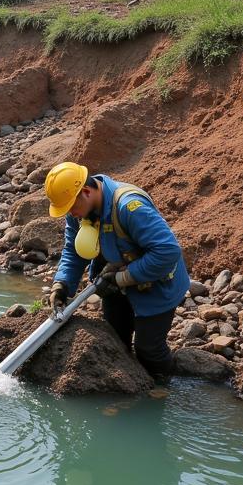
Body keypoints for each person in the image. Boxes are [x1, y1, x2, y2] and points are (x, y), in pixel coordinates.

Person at [44, 161, 189, 379]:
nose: (71, 214)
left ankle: (163, 391)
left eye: (71, 208)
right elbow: (73, 250)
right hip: (112, 282)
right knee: (114, 342)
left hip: (156, 284)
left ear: (85, 192)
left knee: (148, 350)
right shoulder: (78, 210)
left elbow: (167, 252)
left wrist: (123, 278)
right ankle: (128, 389)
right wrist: (62, 283)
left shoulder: (129, 207)